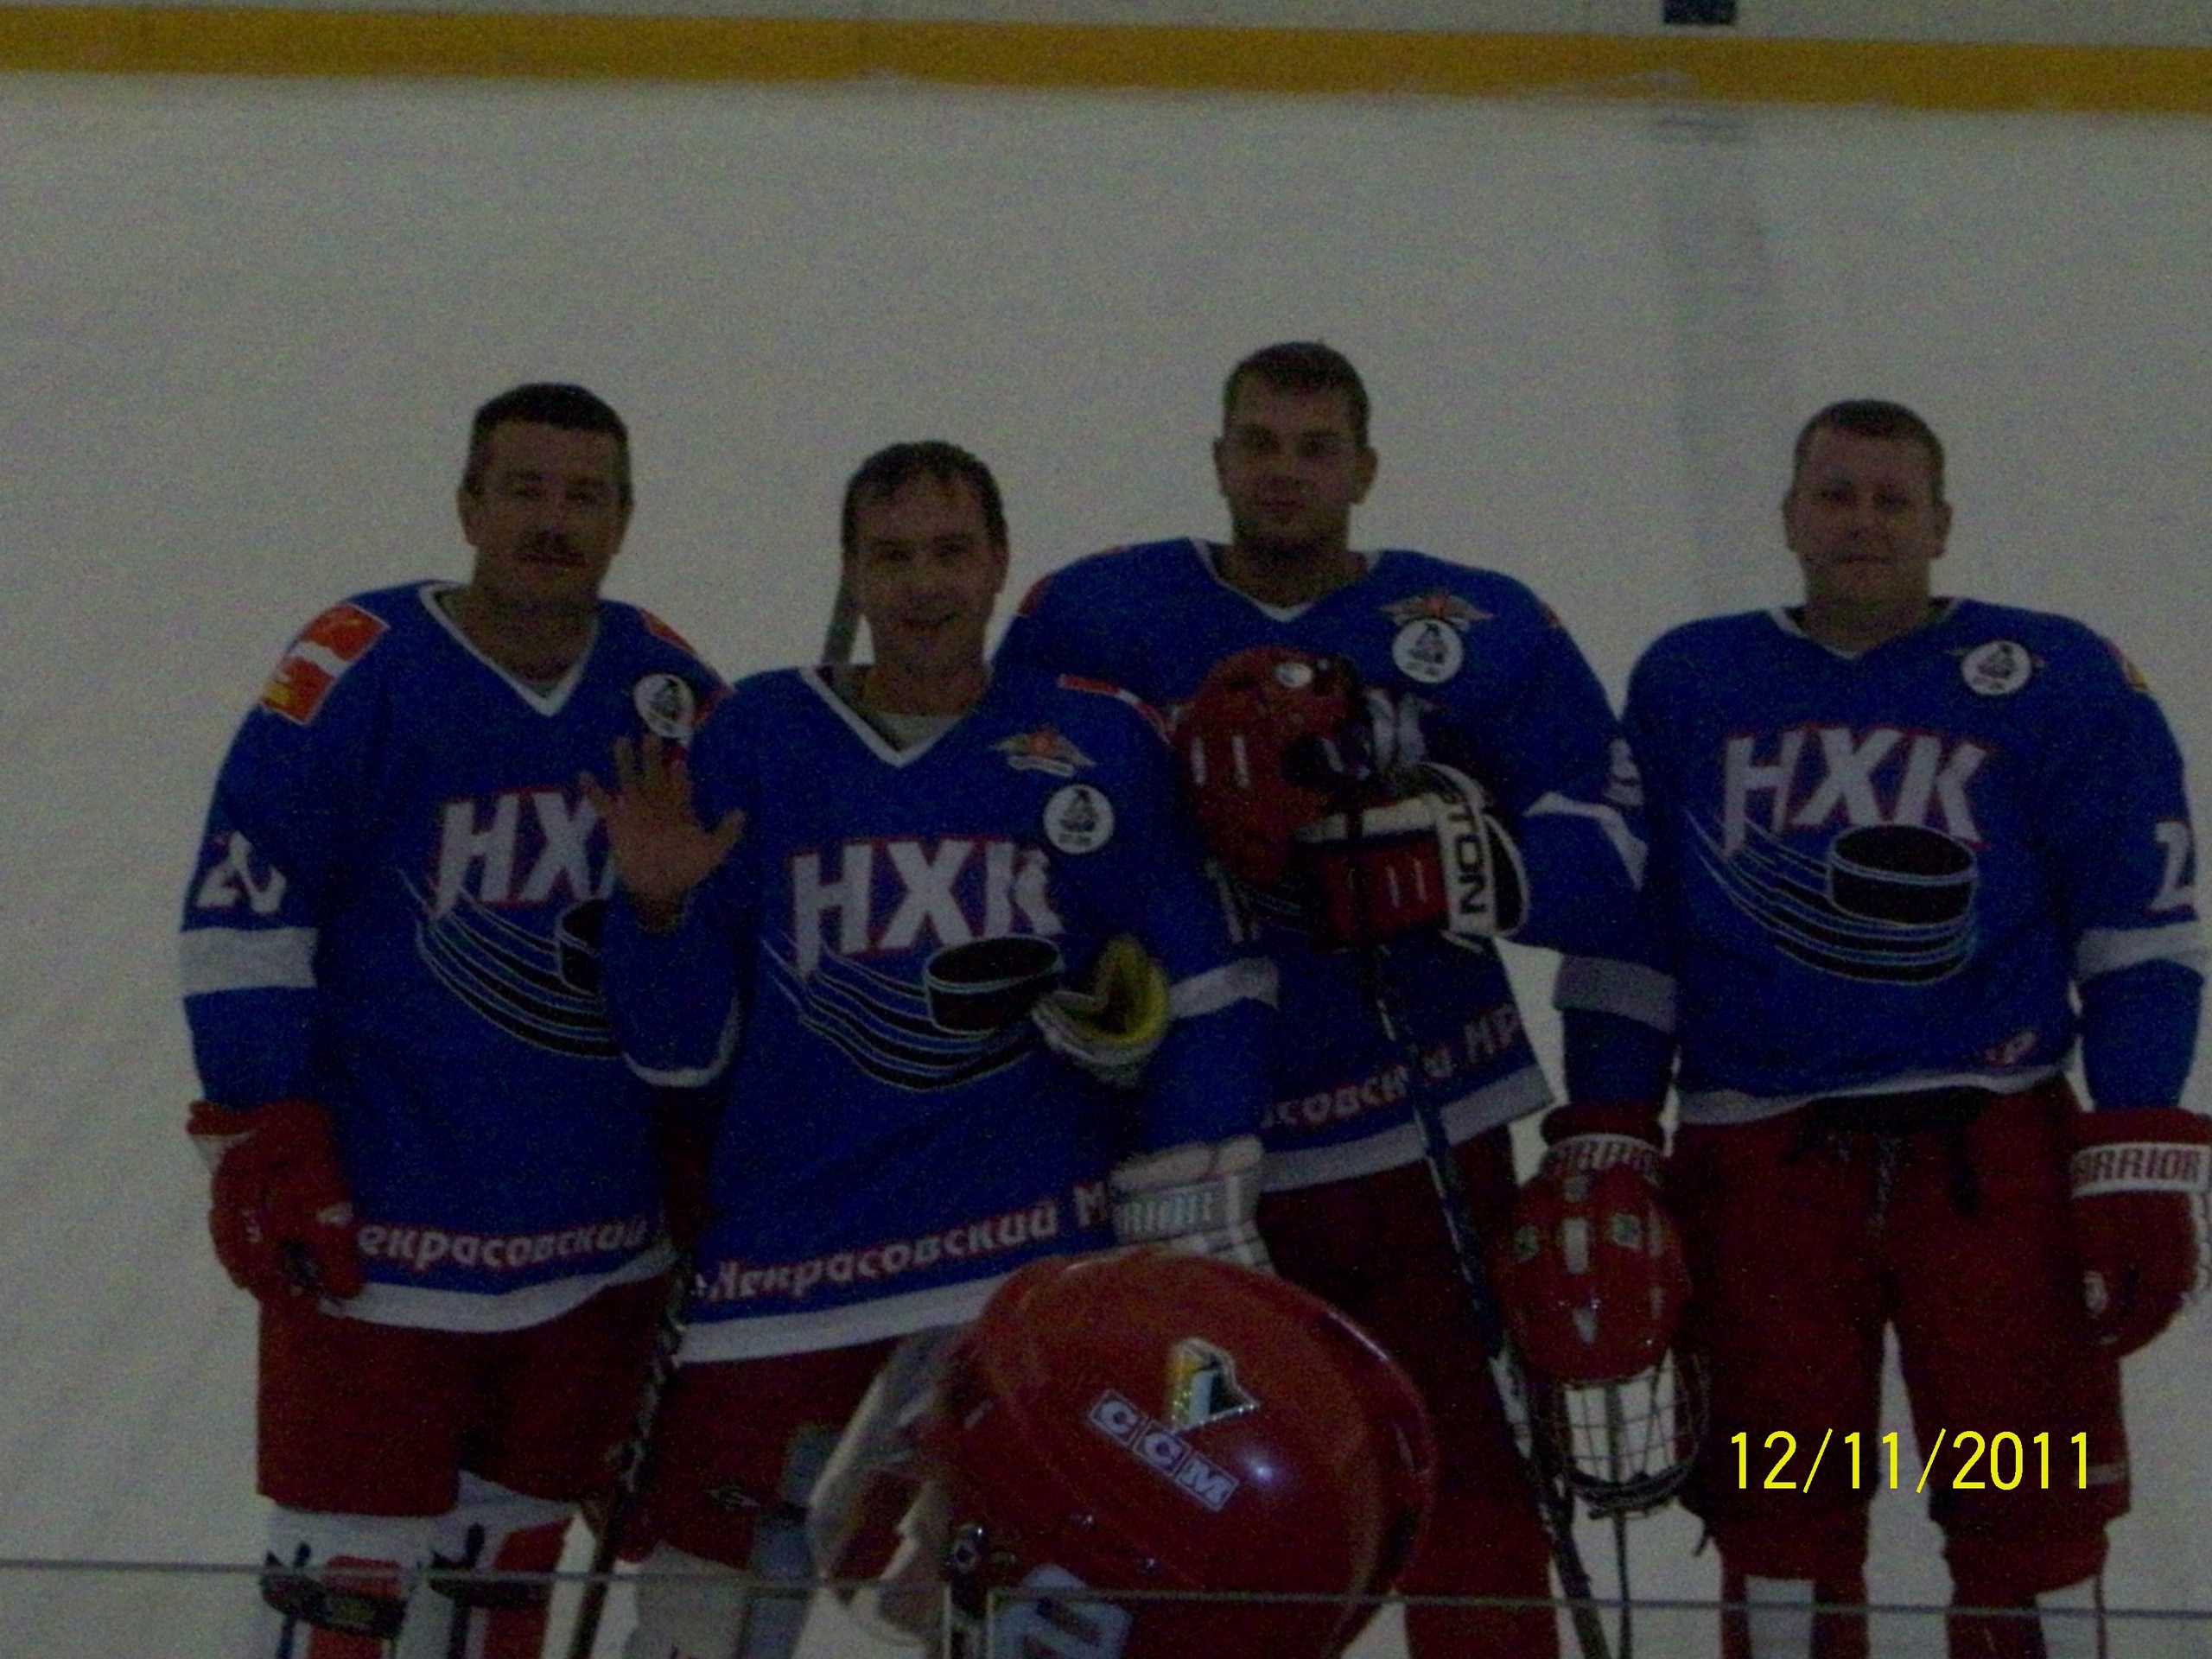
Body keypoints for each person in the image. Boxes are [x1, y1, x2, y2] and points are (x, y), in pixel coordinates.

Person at [996, 341, 1676, 1659]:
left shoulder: (1473, 626)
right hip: (1197, 1165)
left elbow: (1617, 847)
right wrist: (1078, 982)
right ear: (1218, 460)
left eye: (1316, 450)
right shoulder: (1095, 617)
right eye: (1260, 444)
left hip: (1425, 1129)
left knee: (1475, 1482)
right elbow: (1011, 804)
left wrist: (1473, 864)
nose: (1285, 473)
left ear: (1366, 468)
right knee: (1204, 1504)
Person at [588, 441, 1274, 1659]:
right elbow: (676, 1058)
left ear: (1001, 563)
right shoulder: (756, 737)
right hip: (782, 1284)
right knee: (695, 1625)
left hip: (1018, 1282)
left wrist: (1187, 1198)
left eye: (951, 552)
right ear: (851, 572)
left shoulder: (1099, 740)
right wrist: (656, 914)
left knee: (991, 1621)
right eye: (892, 556)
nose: (922, 585)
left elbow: (1214, 987)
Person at [1623, 398, 2209, 1659]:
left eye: (1893, 500)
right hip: (1764, 1177)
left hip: (1992, 1171)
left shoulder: (2054, 678)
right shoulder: (1691, 682)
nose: (1863, 522)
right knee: (1782, 1510)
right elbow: (1634, 936)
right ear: (1789, 516)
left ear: (1943, 524)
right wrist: (1607, 1132)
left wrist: (2138, 1149)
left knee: (2027, 1501)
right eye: (1836, 496)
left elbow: (2139, 935)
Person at [180, 383, 728, 1659]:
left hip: (592, 1245)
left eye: (585, 496)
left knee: (502, 1588)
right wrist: (265, 1123)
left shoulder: (665, 688)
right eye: (524, 489)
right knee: (342, 1591)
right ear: (468, 504)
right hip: (383, 1243)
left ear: (625, 518)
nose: (553, 520)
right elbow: (246, 906)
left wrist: (708, 1134)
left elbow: (720, 940)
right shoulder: (356, 667)